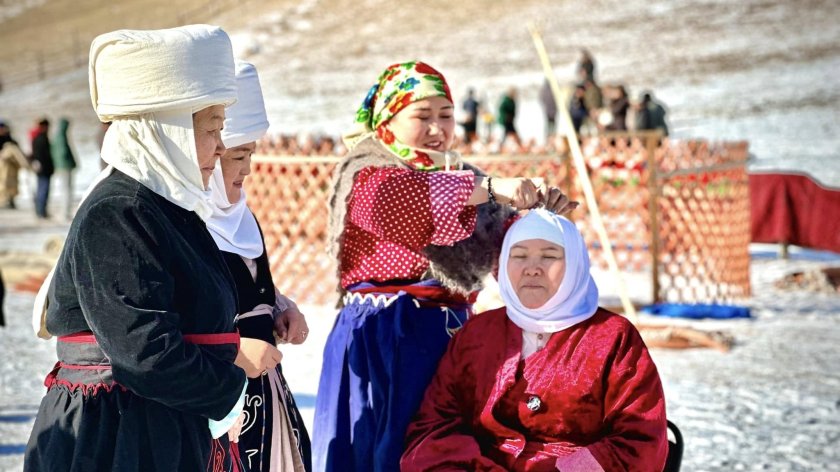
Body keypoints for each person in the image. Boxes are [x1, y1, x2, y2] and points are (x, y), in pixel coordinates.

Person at [313, 60, 576, 472]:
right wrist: (490, 189)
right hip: (384, 338)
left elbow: (505, 243)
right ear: (388, 118)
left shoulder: (462, 177)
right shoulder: (366, 171)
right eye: (422, 116)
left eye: (446, 115)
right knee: (385, 453)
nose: (438, 128)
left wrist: (540, 218)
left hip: (452, 342)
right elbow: (397, 201)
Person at [25, 25, 254, 471]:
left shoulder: (167, 206)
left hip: (156, 423)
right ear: (166, 132)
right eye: (212, 129)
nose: (221, 146)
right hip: (115, 435)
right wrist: (229, 388)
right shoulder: (119, 213)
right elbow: (145, 354)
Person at [403, 209, 668, 471]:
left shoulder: (612, 337)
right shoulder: (477, 334)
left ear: (575, 263)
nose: (532, 269)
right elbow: (434, 427)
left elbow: (639, 438)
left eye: (549, 256)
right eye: (519, 256)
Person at [206, 60, 312, 472]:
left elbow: (253, 285)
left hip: (266, 392)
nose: (248, 168)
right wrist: (234, 349)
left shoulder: (240, 217)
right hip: (221, 396)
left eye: (251, 154)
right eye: (237, 156)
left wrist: (283, 308)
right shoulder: (187, 225)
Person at [51, 117, 77, 220]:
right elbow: (63, 152)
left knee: (64, 189)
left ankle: (65, 212)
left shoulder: (57, 136)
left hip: (60, 166)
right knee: (67, 190)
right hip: (65, 166)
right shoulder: (61, 137)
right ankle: (65, 212)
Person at [0, 121, 30, 209]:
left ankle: (11, 199)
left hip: (11, 166)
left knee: (12, 184)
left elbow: (17, 151)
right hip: (2, 166)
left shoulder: (10, 140)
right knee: (3, 183)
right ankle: (3, 200)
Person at [29, 118, 53, 219]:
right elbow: (42, 156)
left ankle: (41, 211)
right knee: (43, 191)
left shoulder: (38, 138)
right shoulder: (41, 138)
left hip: (41, 170)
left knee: (41, 190)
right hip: (44, 170)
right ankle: (41, 212)